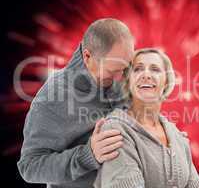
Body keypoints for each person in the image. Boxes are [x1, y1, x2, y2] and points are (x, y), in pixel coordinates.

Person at [17, 18, 134, 188]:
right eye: (112, 71)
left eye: (126, 67)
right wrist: (88, 155)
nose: (121, 77)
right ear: (87, 56)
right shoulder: (53, 96)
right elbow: (30, 167)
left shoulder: (121, 74)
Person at [94, 48, 199, 188]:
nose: (146, 75)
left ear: (166, 82)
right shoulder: (115, 130)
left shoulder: (177, 136)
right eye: (138, 69)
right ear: (128, 82)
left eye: (155, 69)